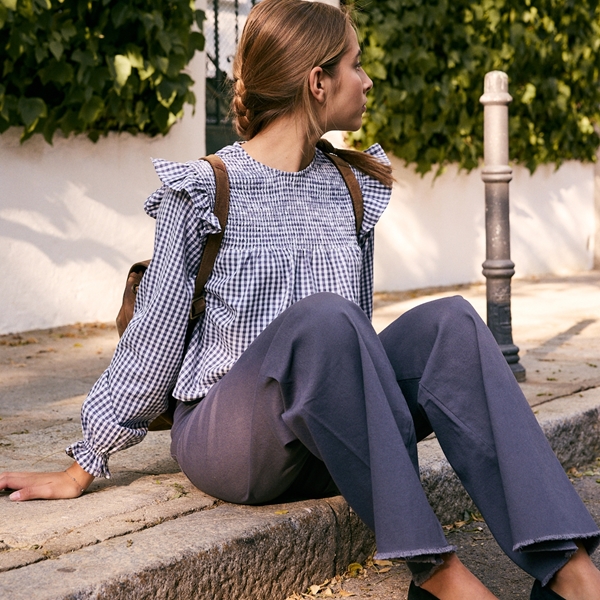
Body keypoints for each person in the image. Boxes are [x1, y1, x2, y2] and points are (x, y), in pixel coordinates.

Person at [1, 1, 600, 598]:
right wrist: (85, 461)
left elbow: (358, 347)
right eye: (356, 66)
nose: (367, 82)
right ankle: (440, 576)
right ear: (318, 82)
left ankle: (569, 571)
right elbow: (151, 344)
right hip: (233, 442)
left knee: (452, 322)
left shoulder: (350, 185)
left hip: (329, 436)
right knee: (325, 319)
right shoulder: (206, 189)